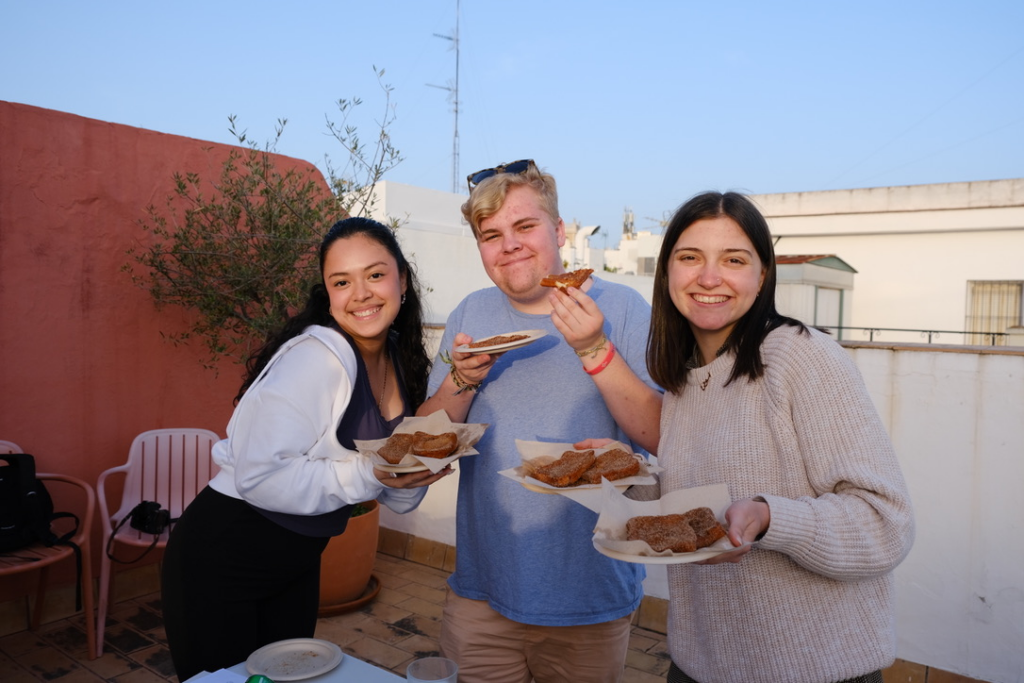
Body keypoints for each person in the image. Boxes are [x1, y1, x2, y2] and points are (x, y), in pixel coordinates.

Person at [641, 191, 915, 683]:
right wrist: (616, 472)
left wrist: (770, 518)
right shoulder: (685, 377)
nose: (708, 277)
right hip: (699, 663)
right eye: (689, 258)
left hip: (816, 672)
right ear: (666, 273)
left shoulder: (800, 356)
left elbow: (885, 524)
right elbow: (688, 508)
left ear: (763, 275)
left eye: (733, 259)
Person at [161, 217, 451, 680]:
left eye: (375, 274)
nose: (361, 294)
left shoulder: (400, 357)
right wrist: (373, 473)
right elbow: (260, 476)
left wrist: (415, 473)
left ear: (403, 279)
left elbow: (392, 492)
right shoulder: (317, 357)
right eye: (342, 281)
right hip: (223, 557)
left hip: (296, 561)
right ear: (328, 292)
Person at [418, 159, 662, 683]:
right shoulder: (468, 315)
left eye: (524, 226)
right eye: (491, 235)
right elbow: (423, 437)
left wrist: (595, 348)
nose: (508, 244)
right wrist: (461, 380)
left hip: (590, 596)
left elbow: (659, 433)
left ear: (558, 230)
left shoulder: (623, 309)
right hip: (481, 592)